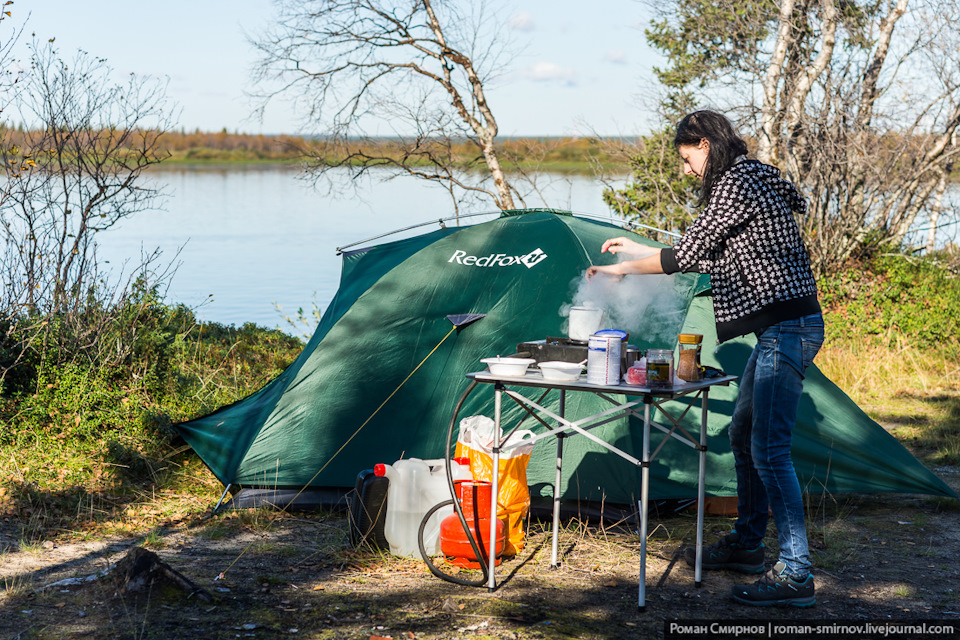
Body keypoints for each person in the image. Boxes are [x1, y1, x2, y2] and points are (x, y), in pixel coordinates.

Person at [587, 110, 823, 607]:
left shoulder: (738, 181)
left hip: (788, 328)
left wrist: (621, 269)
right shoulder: (751, 178)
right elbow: (708, 251)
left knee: (770, 450)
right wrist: (638, 249)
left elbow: (688, 254)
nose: (686, 169)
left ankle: (797, 573)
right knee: (742, 433)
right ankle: (748, 544)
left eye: (686, 157)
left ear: (705, 144)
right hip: (780, 329)